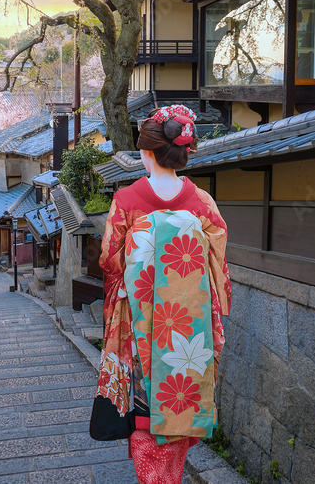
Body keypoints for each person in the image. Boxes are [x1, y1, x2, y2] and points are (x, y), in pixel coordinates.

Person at [96, 105, 232, 484]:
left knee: (146, 410)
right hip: (188, 324)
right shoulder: (202, 202)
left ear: (147, 153)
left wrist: (143, 259)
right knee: (181, 396)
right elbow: (217, 260)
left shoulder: (127, 200)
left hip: (141, 323)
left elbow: (109, 260)